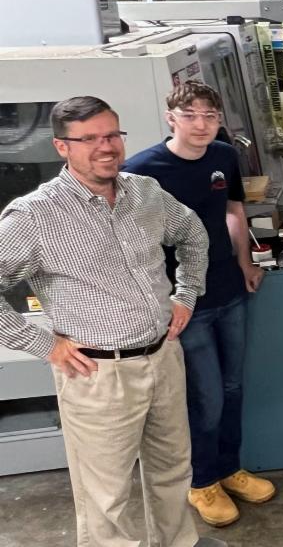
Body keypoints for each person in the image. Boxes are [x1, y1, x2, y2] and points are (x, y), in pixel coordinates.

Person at [0, 96, 219, 547]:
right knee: (107, 495)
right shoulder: (34, 216)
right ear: (62, 147)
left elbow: (192, 232)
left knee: (172, 469)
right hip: (97, 373)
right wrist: (45, 345)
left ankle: (177, 542)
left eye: (112, 135)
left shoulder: (145, 192)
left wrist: (186, 294)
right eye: (89, 139)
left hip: (163, 356)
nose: (106, 147)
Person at [123, 82, 275, 528]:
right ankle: (202, 481)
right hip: (185, 306)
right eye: (190, 115)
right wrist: (160, 300)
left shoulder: (223, 156)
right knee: (205, 397)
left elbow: (233, 211)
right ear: (170, 118)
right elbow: (132, 244)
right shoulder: (142, 171)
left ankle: (229, 468)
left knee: (233, 387)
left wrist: (245, 263)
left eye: (209, 116)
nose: (201, 124)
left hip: (228, 290)